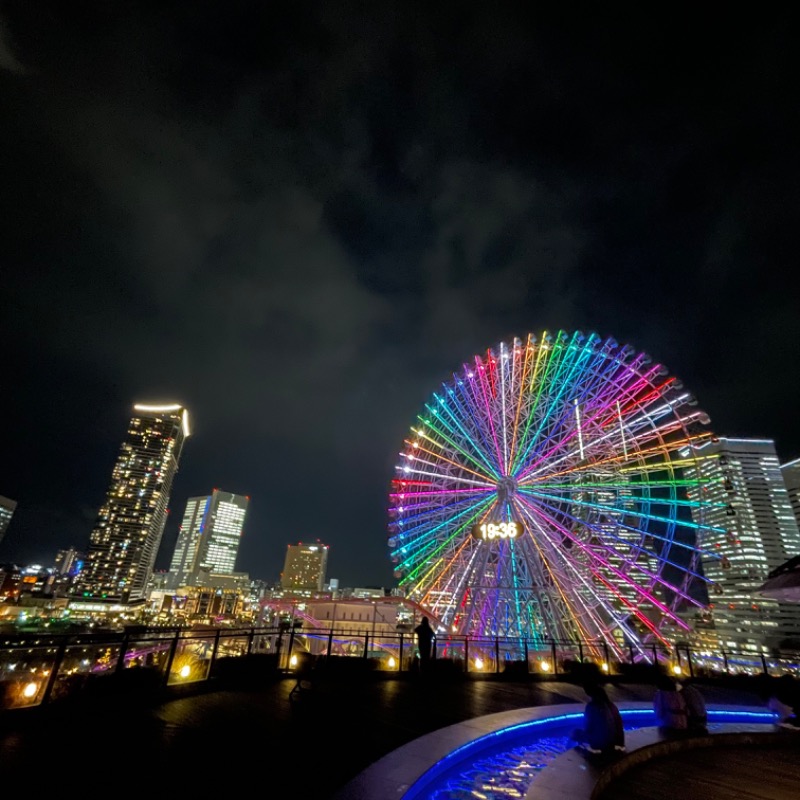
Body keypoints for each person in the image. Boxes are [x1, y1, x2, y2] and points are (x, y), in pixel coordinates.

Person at [572, 683, 626, 756]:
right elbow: (619, 725)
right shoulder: (611, 705)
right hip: (613, 742)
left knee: (575, 733)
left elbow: (588, 728)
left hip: (599, 744)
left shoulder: (591, 706)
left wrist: (583, 736)